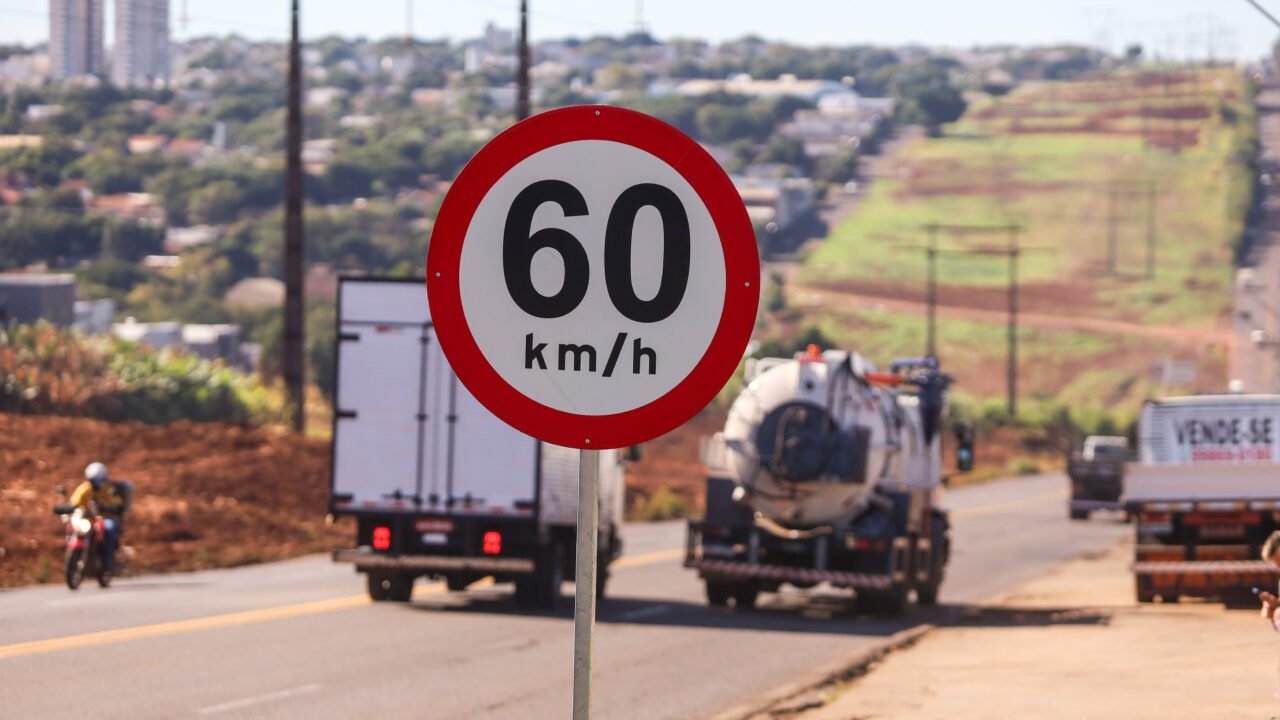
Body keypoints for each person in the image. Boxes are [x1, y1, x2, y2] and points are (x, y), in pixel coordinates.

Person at [68, 462, 126, 578]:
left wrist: (106, 507)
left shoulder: (109, 489)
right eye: (92, 480)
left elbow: (118, 504)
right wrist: (64, 507)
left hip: (106, 518)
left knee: (108, 529)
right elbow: (74, 502)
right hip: (89, 519)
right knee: (73, 527)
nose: (95, 483)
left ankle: (108, 563)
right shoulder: (85, 488)